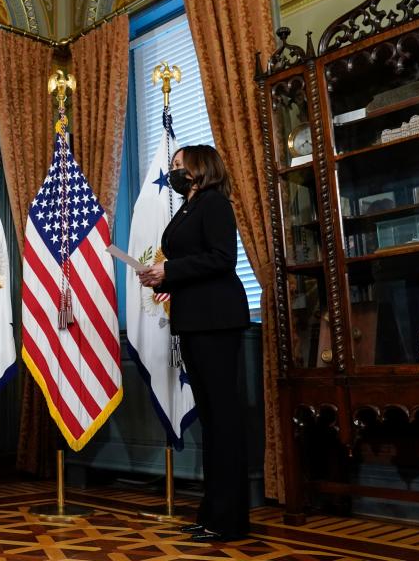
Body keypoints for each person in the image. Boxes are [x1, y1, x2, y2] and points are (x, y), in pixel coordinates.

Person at [138, 144, 250, 542]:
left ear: (200, 169)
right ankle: (212, 514)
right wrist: (164, 278)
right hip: (194, 319)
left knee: (224, 420)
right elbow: (190, 262)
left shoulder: (215, 204)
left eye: (178, 165)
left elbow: (223, 259)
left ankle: (230, 519)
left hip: (216, 320)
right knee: (212, 421)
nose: (174, 171)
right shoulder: (189, 206)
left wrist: (169, 270)